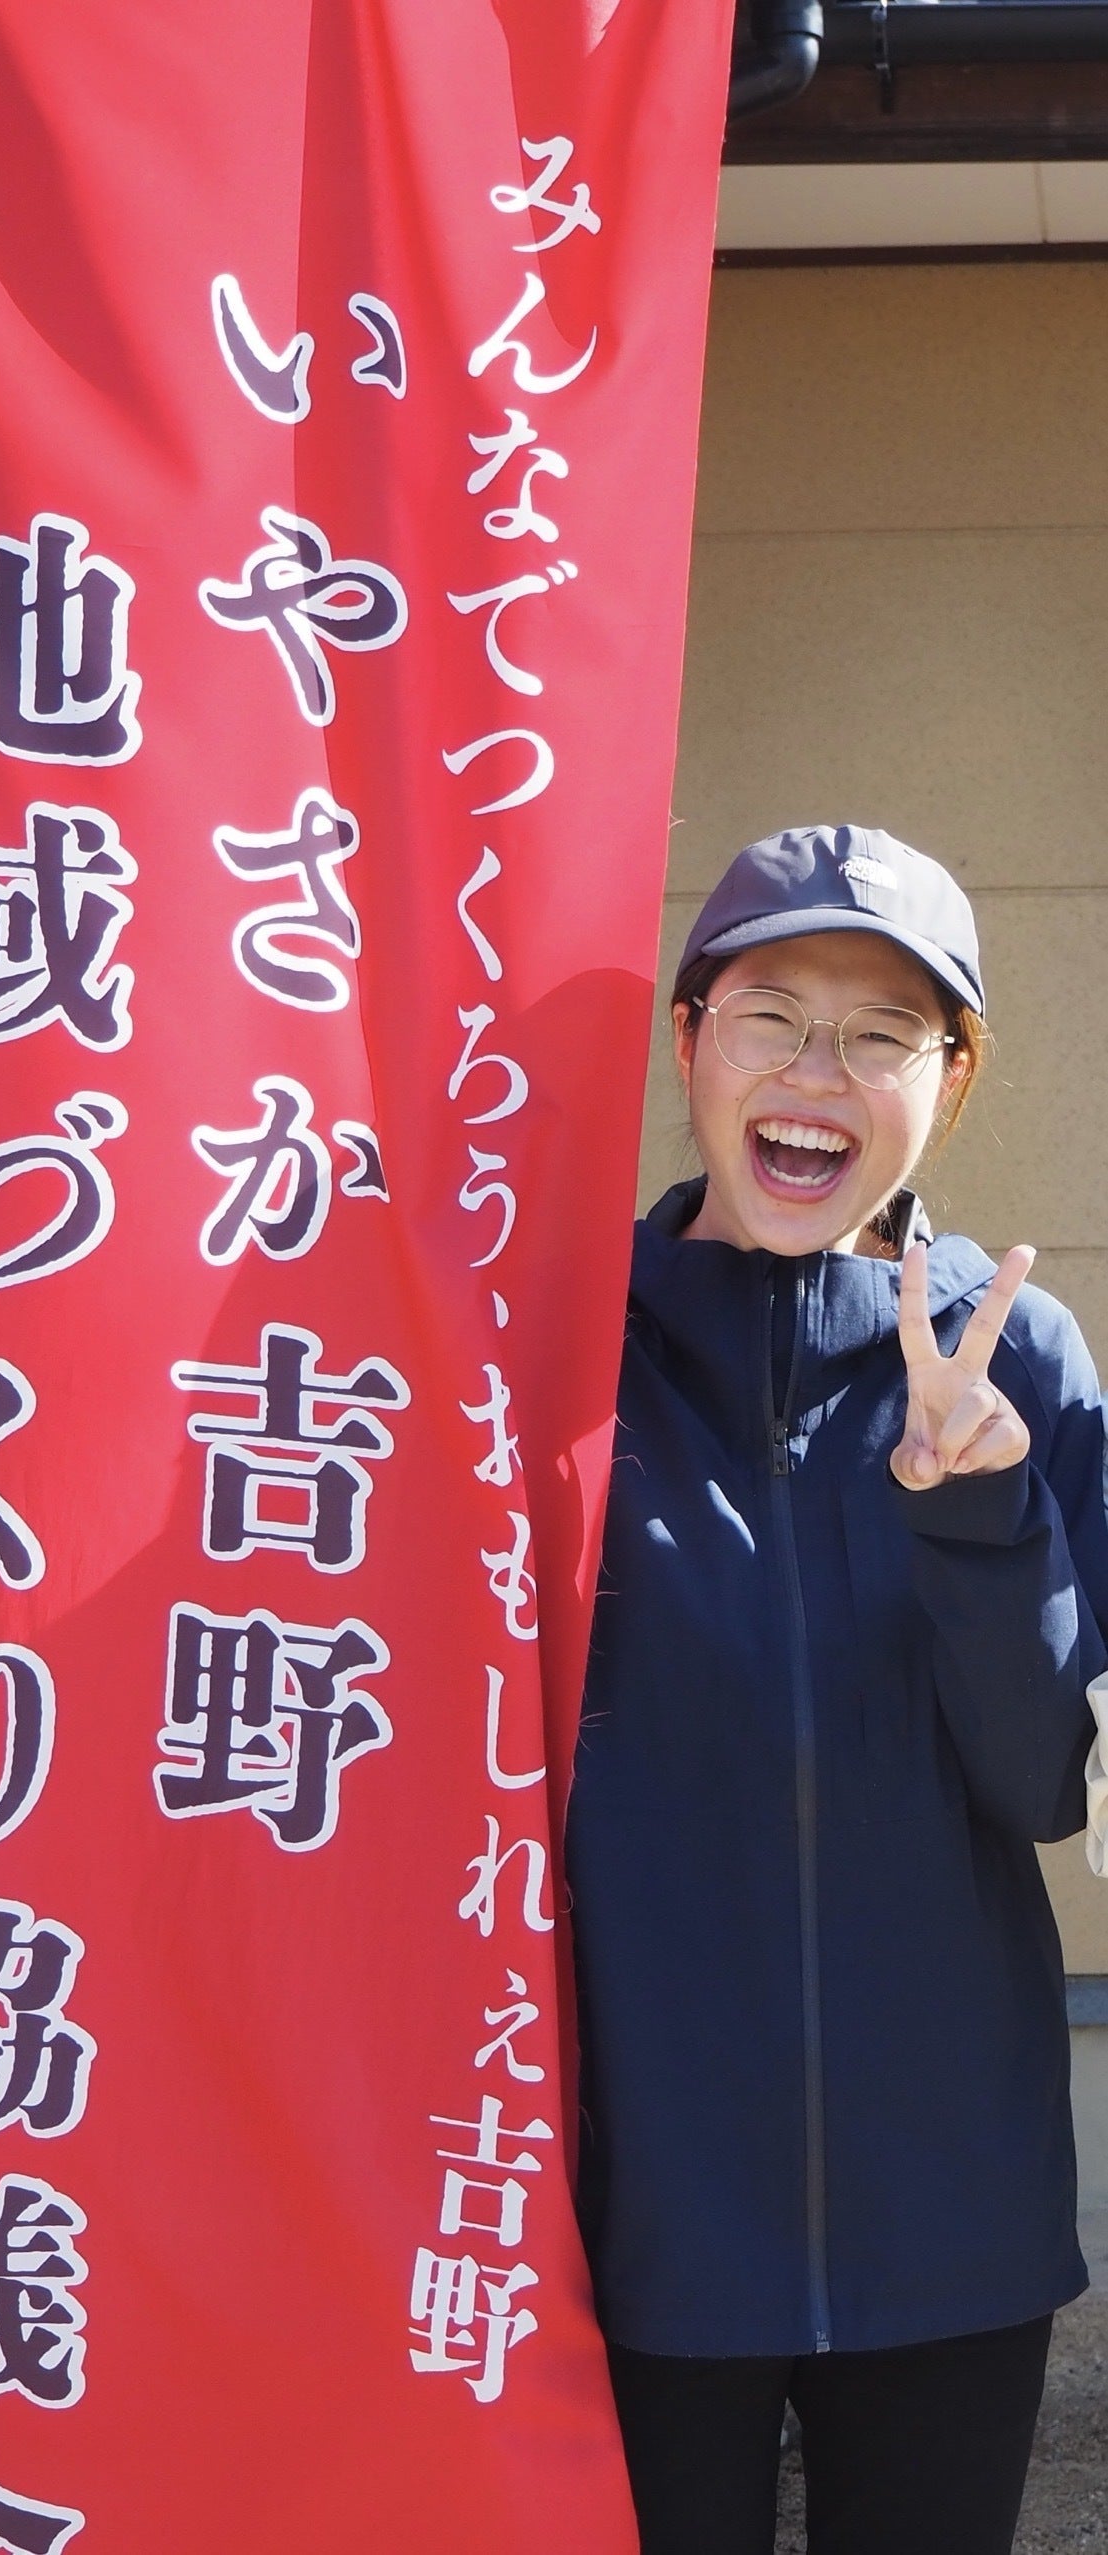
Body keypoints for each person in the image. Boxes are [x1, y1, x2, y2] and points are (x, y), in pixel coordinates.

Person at [565, 823, 1108, 2555]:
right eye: (770, 1017)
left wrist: (980, 1513)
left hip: (948, 2210)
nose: (818, 1074)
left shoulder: (1016, 1362)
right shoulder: (557, 1350)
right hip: (627, 2211)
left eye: (881, 1035)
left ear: (948, 1082)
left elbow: (1041, 1785)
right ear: (686, 1044)